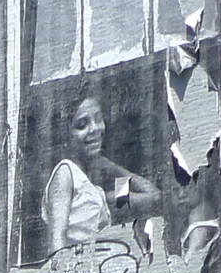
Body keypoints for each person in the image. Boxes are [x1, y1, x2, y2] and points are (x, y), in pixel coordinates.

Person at [43, 91, 162, 256]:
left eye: (98, 119)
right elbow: (56, 248)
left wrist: (107, 165)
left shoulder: (98, 194)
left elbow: (153, 196)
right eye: (81, 125)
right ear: (65, 137)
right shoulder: (65, 173)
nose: (94, 129)